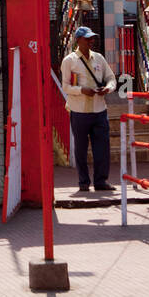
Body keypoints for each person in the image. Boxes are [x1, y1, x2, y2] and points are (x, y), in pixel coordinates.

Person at [60, 27, 117, 192]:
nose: (91, 41)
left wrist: (108, 88)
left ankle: (101, 181)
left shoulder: (99, 58)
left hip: (100, 110)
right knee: (81, 148)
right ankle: (83, 182)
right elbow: (66, 86)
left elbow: (111, 78)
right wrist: (82, 91)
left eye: (92, 38)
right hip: (79, 112)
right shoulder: (69, 61)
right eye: (87, 39)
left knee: (103, 148)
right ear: (78, 40)